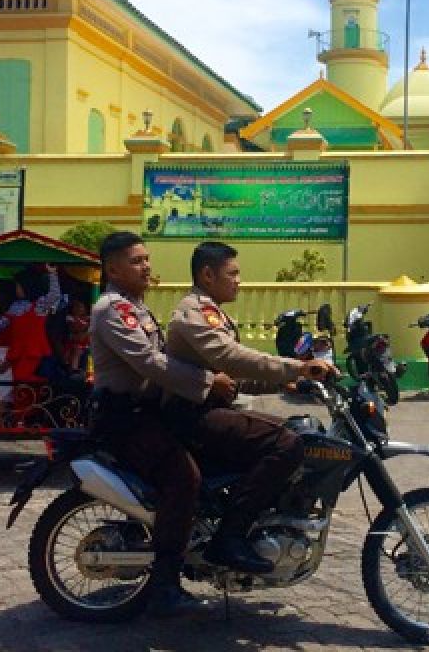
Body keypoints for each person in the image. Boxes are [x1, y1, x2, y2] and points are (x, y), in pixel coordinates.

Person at [165, 241, 335, 575]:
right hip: (192, 414)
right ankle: (230, 537)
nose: (239, 280)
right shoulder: (195, 311)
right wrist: (296, 367)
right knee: (286, 444)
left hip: (208, 408)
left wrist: (288, 382)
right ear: (208, 275)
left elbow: (232, 376)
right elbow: (231, 358)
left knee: (295, 430)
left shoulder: (210, 310)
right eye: (234, 273)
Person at [90, 231, 224, 618]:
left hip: (148, 412)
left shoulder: (136, 307)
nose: (146, 266)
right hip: (125, 419)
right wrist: (206, 383)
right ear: (113, 268)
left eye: (147, 259)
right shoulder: (113, 310)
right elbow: (150, 363)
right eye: (137, 261)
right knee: (185, 478)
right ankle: (165, 585)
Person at [63, 299, 91, 372]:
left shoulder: (88, 318)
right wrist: (85, 326)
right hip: (74, 342)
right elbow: (74, 329)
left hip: (86, 342)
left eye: (80, 307)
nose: (78, 309)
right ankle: (73, 370)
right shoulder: (70, 318)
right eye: (75, 307)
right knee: (76, 351)